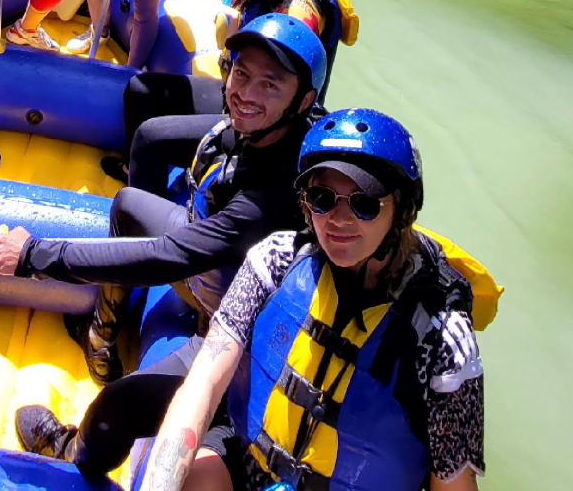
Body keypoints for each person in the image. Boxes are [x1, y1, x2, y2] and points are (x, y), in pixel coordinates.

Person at [0, 14, 326, 470]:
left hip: (236, 332)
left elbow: (171, 257)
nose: (245, 93)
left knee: (116, 406)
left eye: (270, 84)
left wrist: (34, 255)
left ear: (303, 101)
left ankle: (72, 452)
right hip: (210, 272)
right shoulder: (256, 129)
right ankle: (101, 340)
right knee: (128, 202)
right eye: (241, 74)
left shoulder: (275, 192)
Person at [138, 108, 485, 491]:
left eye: (364, 203)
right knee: (193, 478)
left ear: (401, 210)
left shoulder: (443, 340)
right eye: (322, 198)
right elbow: (203, 383)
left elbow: (453, 484)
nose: (338, 219)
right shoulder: (274, 261)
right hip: (250, 465)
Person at [101, 0, 357, 182]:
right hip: (237, 98)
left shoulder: (301, 8)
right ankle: (137, 172)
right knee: (141, 89)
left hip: (266, 122)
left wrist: (235, 35)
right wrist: (242, 4)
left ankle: (147, 204)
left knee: (152, 140)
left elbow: (274, 74)